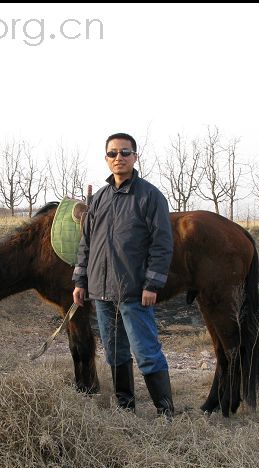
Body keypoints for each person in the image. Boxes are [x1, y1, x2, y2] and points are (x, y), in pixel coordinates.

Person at [72, 132, 175, 417]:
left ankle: (165, 414)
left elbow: (162, 244)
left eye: (125, 152)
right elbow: (87, 244)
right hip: (101, 292)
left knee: (146, 353)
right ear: (106, 159)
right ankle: (125, 409)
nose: (119, 158)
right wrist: (80, 281)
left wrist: (152, 283)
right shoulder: (100, 199)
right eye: (113, 153)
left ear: (135, 157)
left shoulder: (150, 196)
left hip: (133, 292)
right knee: (115, 353)